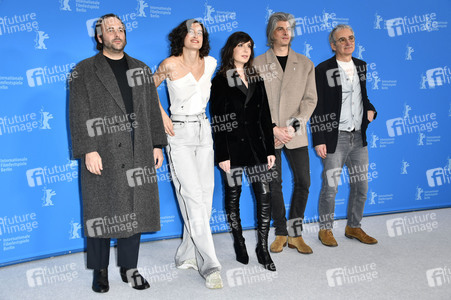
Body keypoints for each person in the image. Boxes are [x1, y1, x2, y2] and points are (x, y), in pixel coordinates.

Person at [69, 14, 167, 293]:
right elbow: (78, 114)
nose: (117, 33)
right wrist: (88, 149)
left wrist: (157, 144)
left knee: (134, 211)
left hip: (138, 150)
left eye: (121, 29)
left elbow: (151, 110)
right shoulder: (84, 70)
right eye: (110, 30)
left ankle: (129, 267)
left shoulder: (141, 68)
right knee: (100, 211)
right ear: (99, 37)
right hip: (104, 151)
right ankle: (100, 271)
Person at [152, 19, 222, 289]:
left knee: (203, 197)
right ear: (181, 36)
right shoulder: (169, 63)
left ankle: (185, 254)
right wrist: (161, 116)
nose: (196, 36)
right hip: (178, 133)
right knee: (191, 195)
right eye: (191, 32)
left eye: (200, 32)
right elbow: (146, 88)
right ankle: (210, 264)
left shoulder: (212, 63)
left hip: (204, 131)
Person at [210, 32, 277, 271]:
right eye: (241, 45)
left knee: (265, 197)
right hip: (232, 149)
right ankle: (239, 242)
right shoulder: (220, 80)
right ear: (231, 49)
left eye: (249, 46)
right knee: (233, 197)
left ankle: (263, 247)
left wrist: (270, 149)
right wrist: (222, 155)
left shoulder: (256, 78)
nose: (246, 50)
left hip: (257, 147)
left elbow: (265, 116)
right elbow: (218, 120)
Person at [254, 12, 317, 254]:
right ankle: (280, 232)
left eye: (289, 28)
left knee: (303, 181)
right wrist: (272, 128)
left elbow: (310, 100)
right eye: (280, 28)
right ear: (271, 33)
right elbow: (254, 102)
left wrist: (293, 126)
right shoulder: (257, 63)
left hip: (295, 133)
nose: (285, 32)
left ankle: (295, 233)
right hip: (267, 135)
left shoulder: (305, 64)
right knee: (274, 184)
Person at [312, 24, 378, 247]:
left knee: (362, 186)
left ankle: (354, 227)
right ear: (333, 45)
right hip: (334, 137)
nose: (348, 42)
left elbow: (363, 96)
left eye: (351, 38)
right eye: (342, 40)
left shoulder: (361, 66)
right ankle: (325, 229)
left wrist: (371, 109)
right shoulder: (323, 70)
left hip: (358, 137)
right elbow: (317, 107)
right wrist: (319, 138)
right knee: (330, 187)